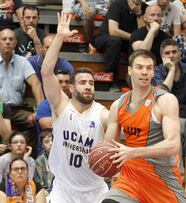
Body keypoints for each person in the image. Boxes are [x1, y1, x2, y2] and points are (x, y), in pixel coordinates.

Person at [101, 49, 186, 203]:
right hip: (131, 179)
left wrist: (133, 152)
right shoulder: (118, 105)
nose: (144, 72)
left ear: (153, 72)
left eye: (149, 68)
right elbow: (108, 147)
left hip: (162, 179)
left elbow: (173, 145)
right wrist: (102, 161)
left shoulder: (165, 100)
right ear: (129, 70)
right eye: (139, 67)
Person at [41, 12, 109, 203]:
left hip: (95, 191)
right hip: (64, 189)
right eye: (83, 83)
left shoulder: (102, 114)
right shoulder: (61, 106)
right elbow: (46, 72)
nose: (88, 86)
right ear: (71, 88)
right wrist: (60, 38)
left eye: (91, 83)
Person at [0, 28, 44, 158]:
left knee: (37, 121)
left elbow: (35, 83)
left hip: (17, 109)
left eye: (11, 39)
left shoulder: (22, 62)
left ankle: (24, 158)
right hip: (0, 109)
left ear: (15, 44)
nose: (8, 42)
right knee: (6, 132)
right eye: (4, 39)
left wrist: (39, 110)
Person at [92, 0, 148, 85]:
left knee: (139, 44)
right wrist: (133, 37)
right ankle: (111, 79)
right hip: (105, 37)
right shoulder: (117, 5)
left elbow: (141, 33)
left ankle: (134, 80)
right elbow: (113, 31)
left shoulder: (145, 8)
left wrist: (139, 13)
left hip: (126, 41)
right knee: (115, 41)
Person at [153, 39, 186, 106]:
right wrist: (171, 69)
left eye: (174, 52)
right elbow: (161, 93)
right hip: (166, 109)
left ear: (179, 53)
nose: (171, 55)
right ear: (162, 56)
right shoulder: (157, 71)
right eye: (167, 53)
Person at [34, 129, 54, 195]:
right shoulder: (39, 161)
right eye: (47, 142)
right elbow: (39, 184)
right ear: (42, 145)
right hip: (47, 192)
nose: (51, 144)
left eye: (53, 140)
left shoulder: (64, 157)